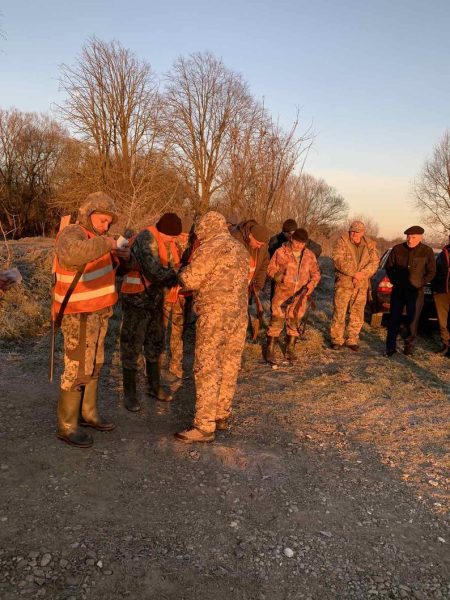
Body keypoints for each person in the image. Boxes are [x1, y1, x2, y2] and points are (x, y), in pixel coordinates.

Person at [53, 191, 130, 448]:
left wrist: (122, 257)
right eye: (102, 220)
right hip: (79, 315)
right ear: (88, 214)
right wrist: (108, 243)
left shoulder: (98, 239)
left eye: (109, 222)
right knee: (76, 367)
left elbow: (104, 271)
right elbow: (72, 255)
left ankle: (88, 413)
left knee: (94, 364)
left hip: (99, 314)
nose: (106, 226)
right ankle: (67, 425)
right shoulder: (73, 233)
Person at [175, 211, 249, 443]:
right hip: (238, 316)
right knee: (229, 364)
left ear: (204, 228)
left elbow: (191, 279)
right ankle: (221, 414)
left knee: (207, 366)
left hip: (215, 315)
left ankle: (204, 426)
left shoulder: (210, 248)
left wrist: (177, 274)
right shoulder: (240, 249)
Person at [120, 213, 180, 411]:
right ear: (164, 232)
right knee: (132, 345)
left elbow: (170, 266)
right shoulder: (147, 238)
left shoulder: (167, 242)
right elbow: (154, 271)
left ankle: (154, 386)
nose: (174, 241)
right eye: (172, 237)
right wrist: (181, 277)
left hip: (154, 300)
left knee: (155, 342)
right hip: (136, 300)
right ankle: (130, 393)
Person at [266, 228, 320, 362]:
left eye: (302, 243)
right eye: (297, 242)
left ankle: (290, 349)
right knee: (276, 319)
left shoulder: (310, 255)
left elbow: (316, 274)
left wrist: (311, 285)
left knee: (294, 321)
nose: (299, 245)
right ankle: (270, 350)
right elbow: (270, 269)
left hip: (300, 296)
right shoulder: (280, 252)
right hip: (282, 294)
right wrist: (277, 276)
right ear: (291, 239)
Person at [384, 226, 436, 357]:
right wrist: (395, 281)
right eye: (408, 236)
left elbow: (431, 271)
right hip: (398, 291)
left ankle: (409, 348)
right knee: (394, 320)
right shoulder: (397, 249)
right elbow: (389, 267)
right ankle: (390, 348)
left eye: (413, 237)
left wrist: (421, 283)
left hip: (416, 292)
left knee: (412, 321)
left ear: (420, 237)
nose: (410, 239)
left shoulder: (427, 251)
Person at [330, 221, 379, 351]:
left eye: (357, 232)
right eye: (352, 231)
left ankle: (352, 339)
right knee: (339, 312)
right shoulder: (341, 241)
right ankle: (337, 339)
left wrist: (362, 274)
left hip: (361, 284)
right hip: (344, 283)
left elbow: (374, 263)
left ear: (363, 232)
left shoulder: (370, 245)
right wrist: (354, 273)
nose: (354, 234)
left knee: (357, 313)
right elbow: (337, 259)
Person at [163, 214, 195, 382]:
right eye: (181, 235)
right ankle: (155, 363)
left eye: (186, 235)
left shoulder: (195, 248)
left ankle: (175, 365)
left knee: (179, 332)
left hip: (184, 296)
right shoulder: (167, 246)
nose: (183, 238)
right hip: (167, 294)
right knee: (160, 329)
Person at [231, 219, 270, 296]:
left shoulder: (262, 245)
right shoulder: (235, 239)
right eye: (257, 243)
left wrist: (257, 285)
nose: (259, 247)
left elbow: (264, 265)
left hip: (247, 290)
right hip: (231, 288)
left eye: (262, 245)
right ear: (250, 236)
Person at [432, 233, 450, 356]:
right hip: (442, 292)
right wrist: (434, 288)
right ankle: (445, 345)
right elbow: (435, 272)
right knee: (443, 322)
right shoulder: (443, 254)